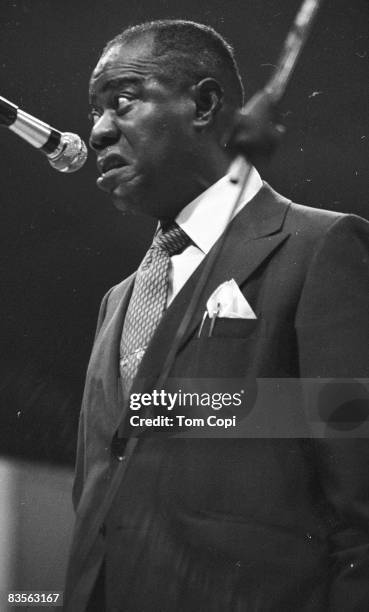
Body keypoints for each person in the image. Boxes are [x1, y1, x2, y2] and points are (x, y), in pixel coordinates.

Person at [64, 20, 369, 612]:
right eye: (95, 111)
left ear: (203, 104)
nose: (98, 131)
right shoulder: (116, 301)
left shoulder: (322, 248)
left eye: (121, 102)